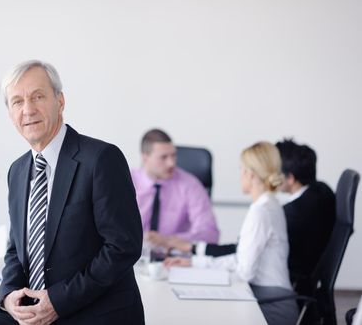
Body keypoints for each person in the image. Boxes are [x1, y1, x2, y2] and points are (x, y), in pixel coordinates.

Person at [0, 60, 144, 325]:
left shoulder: (101, 159)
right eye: (17, 101)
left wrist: (58, 301)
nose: (28, 110)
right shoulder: (17, 171)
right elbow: (16, 250)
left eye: (37, 97)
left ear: (60, 102)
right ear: (10, 113)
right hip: (32, 308)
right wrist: (9, 296)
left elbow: (122, 248)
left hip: (92, 308)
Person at [164, 141, 298, 325]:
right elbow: (240, 259)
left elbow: (244, 272)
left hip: (271, 304)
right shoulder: (269, 204)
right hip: (269, 296)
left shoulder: (261, 212)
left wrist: (198, 268)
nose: (240, 175)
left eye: (241, 170)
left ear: (250, 174)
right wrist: (194, 263)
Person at [130, 129, 219, 252]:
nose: (171, 163)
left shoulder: (190, 184)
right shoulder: (127, 182)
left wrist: (168, 240)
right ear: (145, 158)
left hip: (175, 258)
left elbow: (210, 234)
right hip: (133, 256)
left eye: (173, 155)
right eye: (164, 157)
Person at [275, 139, 335, 295]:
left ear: (290, 178)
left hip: (288, 284)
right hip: (307, 282)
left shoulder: (290, 214)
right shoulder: (323, 191)